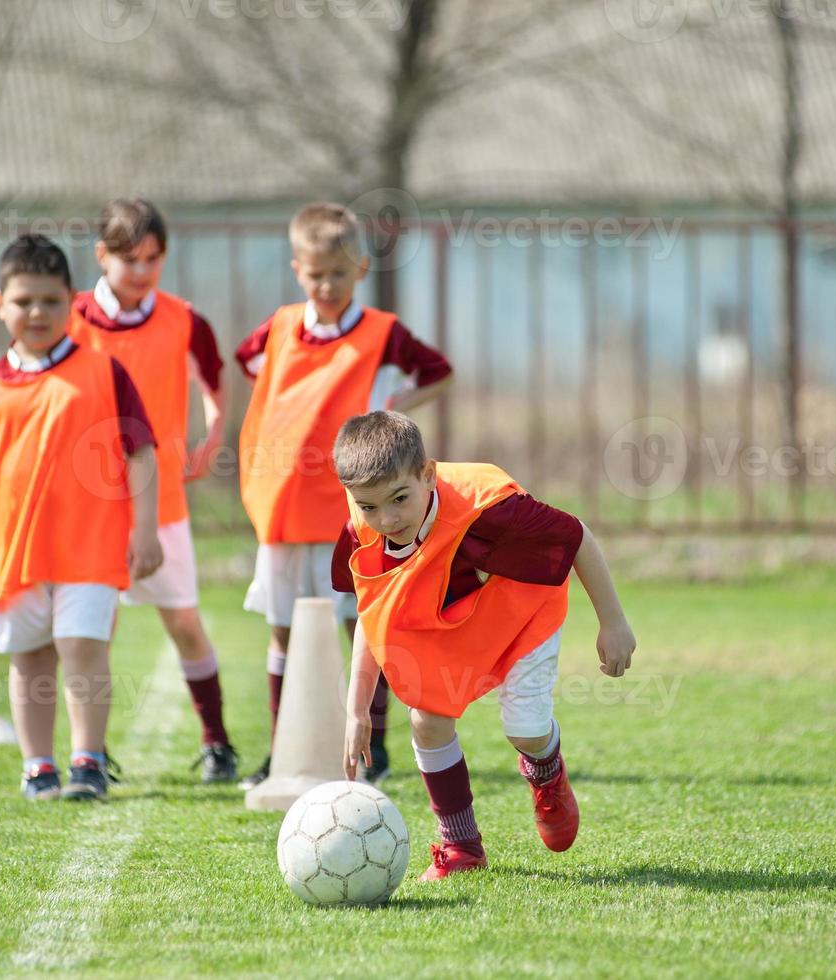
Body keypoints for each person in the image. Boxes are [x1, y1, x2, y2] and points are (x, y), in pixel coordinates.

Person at [334, 411, 636, 880]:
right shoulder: (363, 527)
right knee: (427, 721)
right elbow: (372, 614)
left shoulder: (487, 511)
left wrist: (613, 623)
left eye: (400, 499)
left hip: (523, 613)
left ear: (427, 474)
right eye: (369, 506)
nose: (386, 519)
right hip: (455, 625)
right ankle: (461, 847)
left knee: (526, 730)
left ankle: (546, 769)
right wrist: (357, 710)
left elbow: (576, 535)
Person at [234, 202, 452, 789]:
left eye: (338, 272)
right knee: (283, 628)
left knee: (364, 626)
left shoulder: (382, 332)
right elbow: (248, 362)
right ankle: (283, 751)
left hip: (354, 509)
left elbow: (440, 372)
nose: (326, 285)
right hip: (284, 503)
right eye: (315, 273)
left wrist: (392, 405)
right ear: (297, 269)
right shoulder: (280, 327)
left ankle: (372, 749)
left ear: (360, 268)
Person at [0, 233, 163, 802]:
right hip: (12, 554)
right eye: (23, 301)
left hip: (91, 547)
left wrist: (144, 530)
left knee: (82, 646)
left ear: (71, 301)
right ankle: (37, 766)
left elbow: (140, 451)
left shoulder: (103, 371)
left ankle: (88, 761)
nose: (36, 312)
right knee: (31, 658)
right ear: (0, 304)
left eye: (50, 301)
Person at [68, 197, 238, 783]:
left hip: (161, 501)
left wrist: (215, 431)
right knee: (92, 632)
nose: (142, 271)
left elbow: (214, 377)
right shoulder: (69, 318)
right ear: (102, 255)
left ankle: (217, 742)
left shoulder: (182, 318)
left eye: (153, 259)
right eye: (130, 259)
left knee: (184, 623)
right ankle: (89, 753)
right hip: (89, 507)